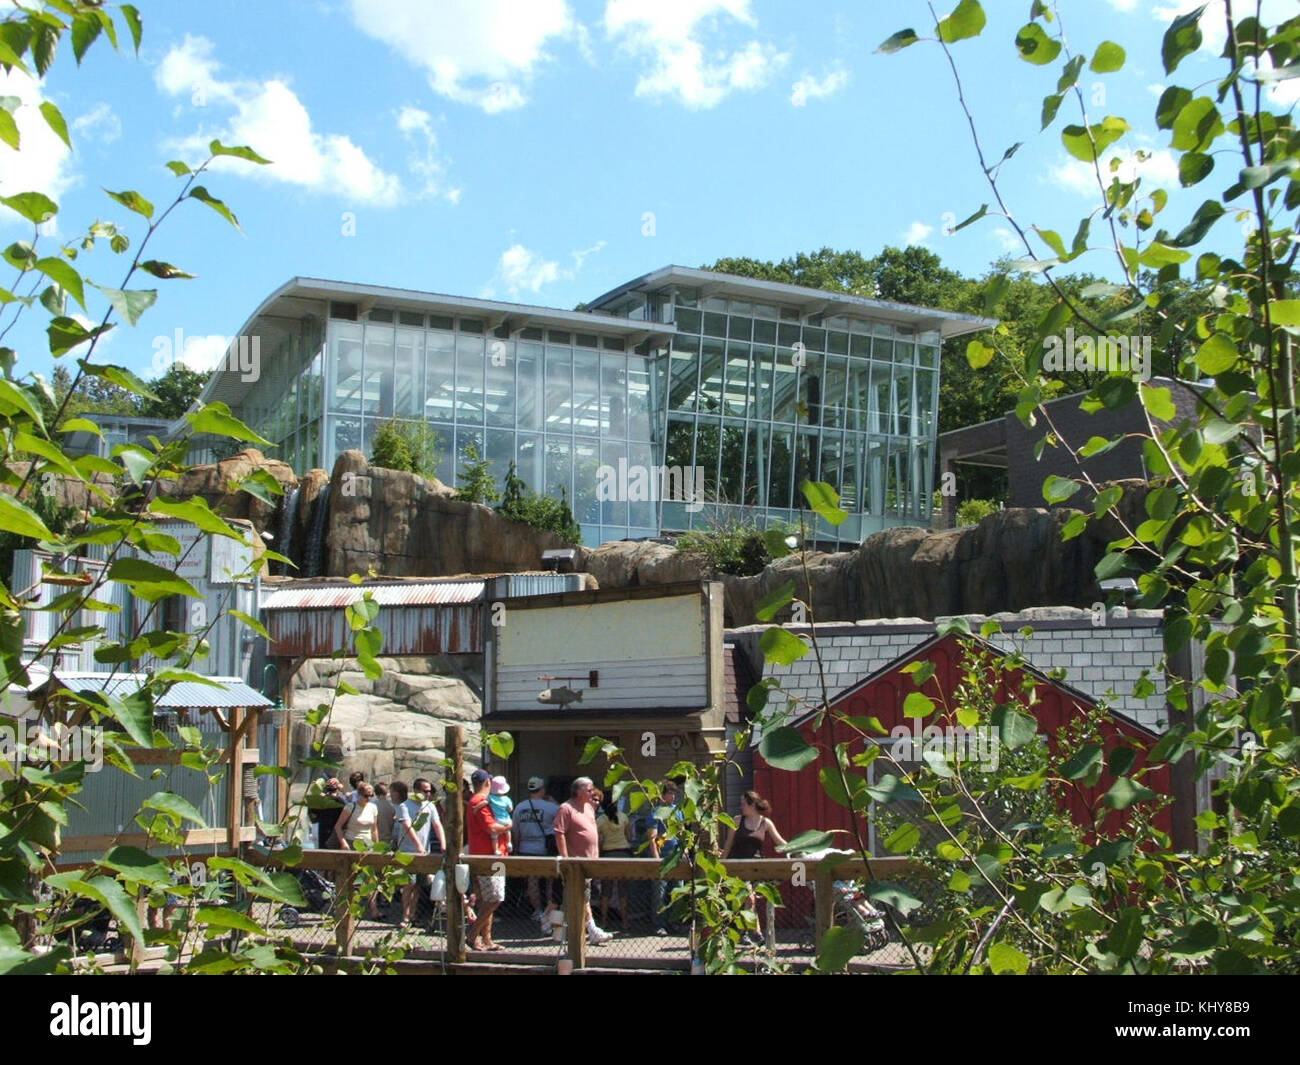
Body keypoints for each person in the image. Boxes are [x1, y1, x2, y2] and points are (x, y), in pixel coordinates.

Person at [721, 790, 788, 948]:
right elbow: (728, 845)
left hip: (757, 867)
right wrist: (721, 865)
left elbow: (780, 842)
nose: (741, 806)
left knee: (749, 900)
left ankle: (750, 933)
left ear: (752, 805)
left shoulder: (765, 823)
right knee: (748, 898)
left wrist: (796, 850)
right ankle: (751, 933)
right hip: (738, 867)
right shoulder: (737, 821)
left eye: (743, 804)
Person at [552, 777, 612, 944]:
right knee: (582, 896)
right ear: (578, 791)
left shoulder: (589, 807)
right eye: (589, 789)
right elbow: (559, 832)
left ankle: (561, 932)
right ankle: (592, 930)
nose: (593, 793)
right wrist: (565, 858)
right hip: (575, 863)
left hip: (591, 861)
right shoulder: (566, 808)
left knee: (574, 898)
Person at [466, 768, 511, 951]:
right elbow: (491, 828)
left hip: (493, 855)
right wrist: (509, 825)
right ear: (487, 783)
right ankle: (472, 935)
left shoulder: (479, 801)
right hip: (489, 857)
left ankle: (487, 939)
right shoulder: (479, 800)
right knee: (495, 897)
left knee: (488, 898)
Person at [391, 779, 445, 927]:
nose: (428, 794)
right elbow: (408, 826)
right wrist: (419, 846)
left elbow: (437, 825)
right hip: (408, 852)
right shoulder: (404, 806)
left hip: (424, 853)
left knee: (418, 886)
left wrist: (443, 844)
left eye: (429, 791)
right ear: (416, 791)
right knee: (408, 884)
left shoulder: (430, 806)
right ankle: (405, 916)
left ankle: (413, 914)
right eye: (425, 791)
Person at [512, 775, 559, 925]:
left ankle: (537, 910)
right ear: (543, 789)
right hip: (546, 849)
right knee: (551, 880)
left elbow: (515, 832)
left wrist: (516, 849)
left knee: (532, 881)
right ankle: (549, 910)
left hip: (526, 848)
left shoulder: (519, 807)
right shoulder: (552, 807)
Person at [335, 781, 381, 918]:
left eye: (371, 795)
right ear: (359, 795)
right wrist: (343, 843)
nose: (369, 798)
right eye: (366, 795)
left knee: (370, 878)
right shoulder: (350, 807)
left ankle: (374, 910)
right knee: (349, 877)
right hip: (351, 842)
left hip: (367, 844)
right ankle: (344, 909)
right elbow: (338, 826)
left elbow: (374, 829)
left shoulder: (373, 807)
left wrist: (376, 846)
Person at [646, 780, 684, 935]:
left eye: (674, 794)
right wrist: (656, 858)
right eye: (669, 793)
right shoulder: (656, 813)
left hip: (677, 855)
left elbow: (681, 833)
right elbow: (652, 837)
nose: (673, 797)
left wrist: (684, 851)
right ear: (662, 796)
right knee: (660, 892)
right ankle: (659, 924)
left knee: (677, 890)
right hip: (663, 856)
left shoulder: (678, 811)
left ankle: (675, 922)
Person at [596, 794, 632, 931]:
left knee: (606, 891)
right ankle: (625, 922)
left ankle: (604, 921)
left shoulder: (600, 820)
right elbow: (629, 836)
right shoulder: (624, 817)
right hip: (623, 854)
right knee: (623, 890)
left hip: (608, 854)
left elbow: (598, 839)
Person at [488, 776, 514, 853]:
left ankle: (496, 850)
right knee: (508, 831)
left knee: (494, 837)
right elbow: (510, 809)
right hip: (506, 819)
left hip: (497, 820)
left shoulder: (490, 797)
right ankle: (509, 843)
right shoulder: (507, 799)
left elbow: (487, 804)